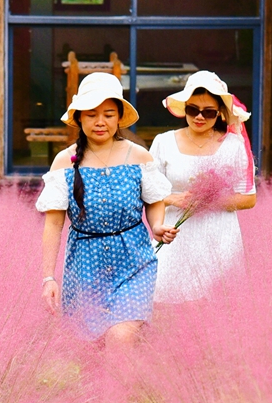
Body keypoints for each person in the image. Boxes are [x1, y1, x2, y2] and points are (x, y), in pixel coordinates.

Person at [37, 72, 177, 341]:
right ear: (79, 117)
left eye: (108, 114)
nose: (100, 122)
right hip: (85, 267)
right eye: (91, 114)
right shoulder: (64, 162)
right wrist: (48, 278)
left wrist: (157, 225)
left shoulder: (137, 156)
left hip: (134, 263)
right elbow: (53, 224)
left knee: (120, 337)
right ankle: (128, 383)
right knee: (92, 349)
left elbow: (154, 201)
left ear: (119, 118)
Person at [150, 70, 257, 303]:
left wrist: (210, 200)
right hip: (174, 235)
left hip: (219, 238)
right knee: (164, 300)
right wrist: (173, 199)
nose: (199, 117)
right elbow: (146, 188)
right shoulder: (163, 142)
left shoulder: (234, 146)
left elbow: (248, 198)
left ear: (219, 113)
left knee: (218, 305)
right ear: (184, 108)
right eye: (192, 110)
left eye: (208, 112)